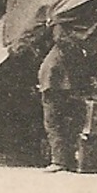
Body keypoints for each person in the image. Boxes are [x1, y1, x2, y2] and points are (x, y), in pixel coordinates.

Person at [36, 30, 88, 173]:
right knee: (64, 125)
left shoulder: (57, 51)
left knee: (53, 124)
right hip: (61, 87)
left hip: (51, 87)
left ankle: (59, 161)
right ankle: (68, 160)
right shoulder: (71, 51)